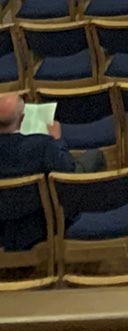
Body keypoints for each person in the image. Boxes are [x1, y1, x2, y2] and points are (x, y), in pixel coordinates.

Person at [0, 92, 102, 256]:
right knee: (95, 157)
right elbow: (67, 173)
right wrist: (57, 139)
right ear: (23, 118)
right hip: (39, 224)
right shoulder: (42, 145)